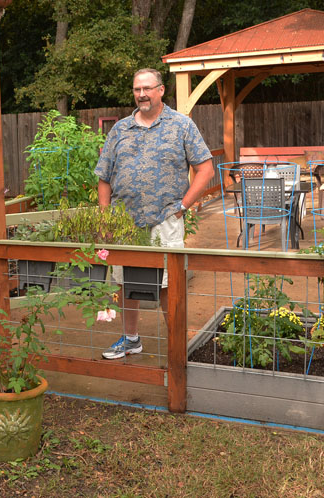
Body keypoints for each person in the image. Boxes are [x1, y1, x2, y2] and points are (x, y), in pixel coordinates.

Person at [94, 68, 215, 360]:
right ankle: (131, 339)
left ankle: (177, 347)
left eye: (147, 88)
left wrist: (183, 207)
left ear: (161, 90)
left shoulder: (181, 126)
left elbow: (206, 169)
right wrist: (106, 219)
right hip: (125, 223)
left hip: (166, 219)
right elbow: (104, 177)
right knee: (125, 283)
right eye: (137, 89)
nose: (142, 94)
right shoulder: (120, 129)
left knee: (167, 283)